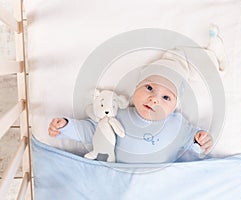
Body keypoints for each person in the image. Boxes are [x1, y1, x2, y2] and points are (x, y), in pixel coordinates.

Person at [48, 51, 213, 163]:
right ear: (136, 88)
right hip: (120, 179)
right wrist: (66, 126)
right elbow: (92, 131)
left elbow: (192, 147)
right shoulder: (119, 115)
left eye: (165, 97)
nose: (154, 99)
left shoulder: (178, 125)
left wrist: (201, 140)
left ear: (175, 104)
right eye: (149, 88)